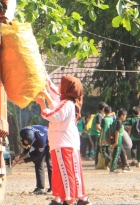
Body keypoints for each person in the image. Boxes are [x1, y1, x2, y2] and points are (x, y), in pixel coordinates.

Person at [35, 76, 91, 205]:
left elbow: (53, 115)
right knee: (69, 171)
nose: (59, 86)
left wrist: (41, 103)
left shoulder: (66, 103)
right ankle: (77, 198)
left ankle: (68, 199)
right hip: (67, 143)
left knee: (64, 172)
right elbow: (56, 102)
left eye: (61, 84)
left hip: (62, 143)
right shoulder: (69, 103)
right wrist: (46, 89)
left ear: (67, 88)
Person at [12, 125, 52, 194]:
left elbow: (39, 155)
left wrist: (25, 160)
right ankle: (40, 188)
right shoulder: (23, 132)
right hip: (39, 136)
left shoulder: (41, 140)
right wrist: (24, 153)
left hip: (50, 140)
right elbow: (27, 141)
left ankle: (53, 188)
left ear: (34, 140)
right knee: (38, 162)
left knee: (50, 164)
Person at [108, 108, 132, 174]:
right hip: (118, 139)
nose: (125, 117)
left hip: (117, 139)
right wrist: (116, 142)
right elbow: (117, 132)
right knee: (116, 154)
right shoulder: (119, 122)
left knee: (123, 152)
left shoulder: (115, 120)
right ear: (122, 115)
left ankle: (125, 166)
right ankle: (113, 168)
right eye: (125, 116)